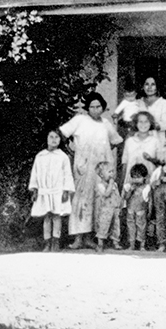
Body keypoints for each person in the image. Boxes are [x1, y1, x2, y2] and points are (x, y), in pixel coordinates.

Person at [60, 92, 123, 249]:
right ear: (87, 108)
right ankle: (78, 239)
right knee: (82, 201)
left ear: (103, 107)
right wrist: (70, 150)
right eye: (92, 107)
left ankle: (91, 238)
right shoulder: (80, 120)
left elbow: (116, 141)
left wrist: (104, 153)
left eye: (99, 106)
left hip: (100, 170)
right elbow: (62, 133)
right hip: (84, 168)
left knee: (98, 201)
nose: (96, 109)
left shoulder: (106, 124)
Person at [28, 129, 75, 253]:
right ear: (47, 139)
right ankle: (47, 243)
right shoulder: (40, 156)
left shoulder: (63, 157)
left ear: (60, 140)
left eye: (56, 137)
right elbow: (35, 173)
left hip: (58, 191)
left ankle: (55, 242)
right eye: (51, 137)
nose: (54, 140)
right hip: (44, 191)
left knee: (56, 216)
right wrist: (34, 189)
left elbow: (67, 174)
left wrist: (66, 190)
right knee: (47, 216)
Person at [123, 111, 162, 179]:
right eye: (140, 121)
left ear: (150, 123)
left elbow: (160, 163)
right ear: (136, 123)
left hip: (149, 180)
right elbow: (125, 164)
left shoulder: (155, 141)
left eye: (146, 121)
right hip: (131, 181)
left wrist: (150, 159)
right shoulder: (129, 141)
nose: (143, 124)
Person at [93, 161, 122, 252]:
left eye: (113, 171)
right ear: (101, 175)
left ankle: (115, 242)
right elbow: (106, 194)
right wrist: (110, 184)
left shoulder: (114, 184)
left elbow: (117, 195)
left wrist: (119, 205)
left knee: (116, 226)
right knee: (103, 226)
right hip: (105, 210)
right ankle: (100, 244)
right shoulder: (100, 185)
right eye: (109, 172)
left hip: (114, 208)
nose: (112, 174)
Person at [121, 164, 151, 251]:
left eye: (138, 177)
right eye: (134, 177)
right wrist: (130, 190)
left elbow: (149, 201)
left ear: (144, 177)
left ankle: (142, 245)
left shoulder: (146, 187)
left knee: (141, 227)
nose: (136, 179)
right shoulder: (129, 186)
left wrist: (149, 211)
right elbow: (125, 198)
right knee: (131, 227)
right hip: (130, 210)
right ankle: (131, 245)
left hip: (141, 211)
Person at [140, 77, 166, 147]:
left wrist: (149, 125)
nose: (149, 87)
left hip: (158, 141)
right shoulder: (138, 102)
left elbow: (165, 124)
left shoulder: (163, 103)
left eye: (153, 84)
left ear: (157, 87)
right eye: (147, 84)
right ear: (143, 87)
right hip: (140, 141)